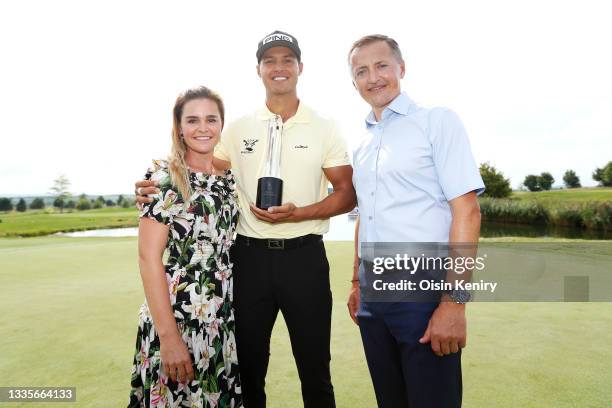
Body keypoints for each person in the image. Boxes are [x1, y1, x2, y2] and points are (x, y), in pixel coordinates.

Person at [135, 31, 356, 408]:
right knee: (248, 371)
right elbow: (197, 173)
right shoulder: (236, 128)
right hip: (248, 261)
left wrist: (298, 214)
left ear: (300, 67)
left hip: (305, 258)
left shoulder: (326, 126)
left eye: (287, 59)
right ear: (258, 70)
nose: (279, 67)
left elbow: (347, 194)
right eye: (270, 60)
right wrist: (151, 184)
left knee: (316, 371)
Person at [346, 35, 485, 407]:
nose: (373, 77)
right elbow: (366, 214)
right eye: (362, 71)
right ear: (353, 81)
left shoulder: (436, 121)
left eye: (382, 66)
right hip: (373, 292)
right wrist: (356, 279)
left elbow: (467, 211)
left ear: (401, 69)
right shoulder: (360, 144)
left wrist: (455, 302)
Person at [129, 86, 243, 408]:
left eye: (211, 119)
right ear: (179, 127)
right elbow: (148, 258)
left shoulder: (230, 179)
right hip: (179, 318)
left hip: (223, 319)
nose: (203, 128)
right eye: (192, 120)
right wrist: (168, 338)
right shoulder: (164, 179)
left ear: (222, 125)